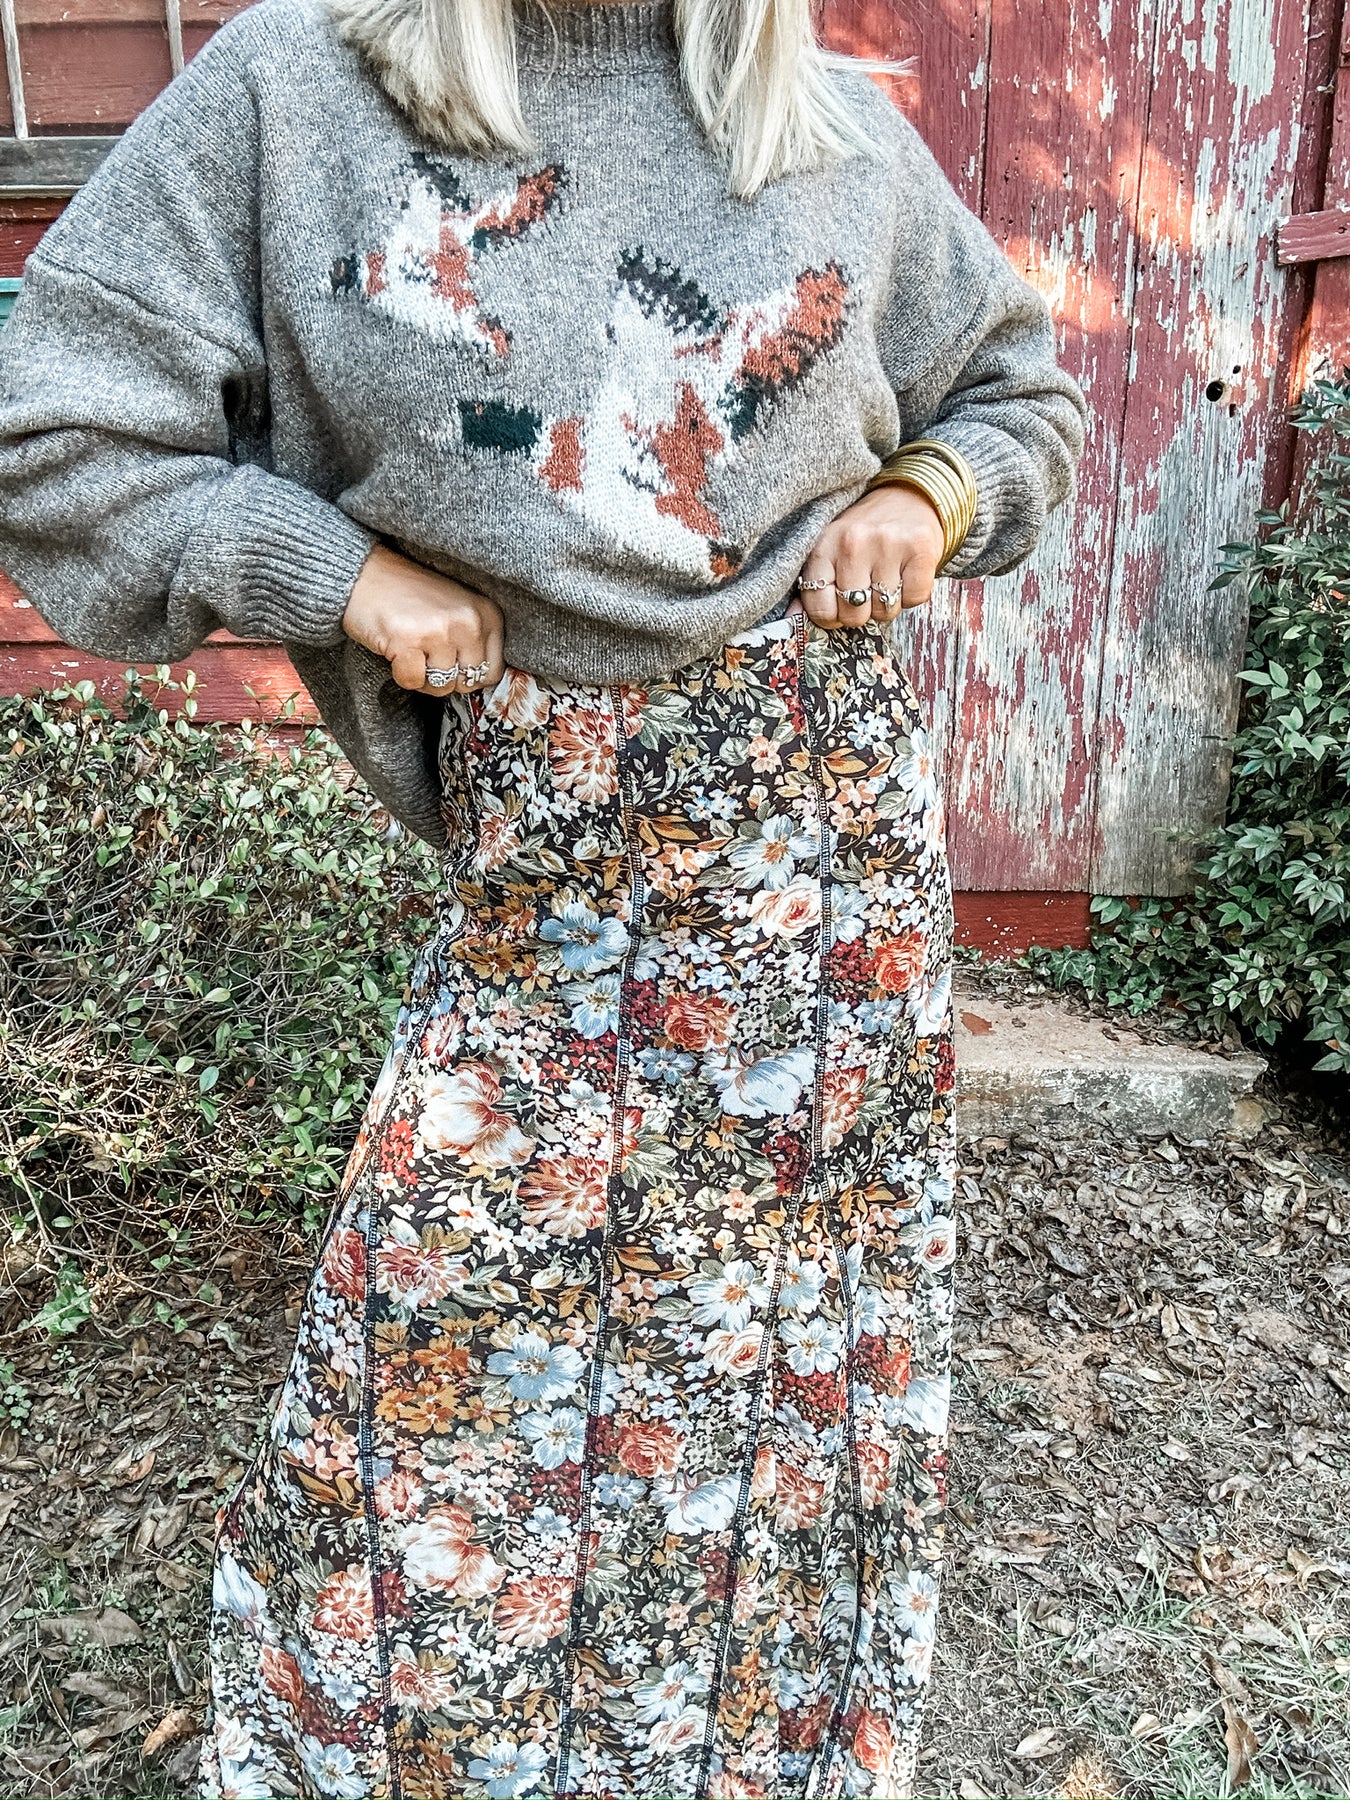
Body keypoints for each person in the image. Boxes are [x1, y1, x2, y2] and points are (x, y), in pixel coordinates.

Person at [0, 0, 1086, 1791]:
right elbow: (57, 429)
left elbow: (1014, 393)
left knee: (772, 1350)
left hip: (819, 847)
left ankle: (743, 1755)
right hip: (538, 838)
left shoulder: (813, 120)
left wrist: (933, 486)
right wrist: (329, 573)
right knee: (442, 1342)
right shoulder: (290, 90)